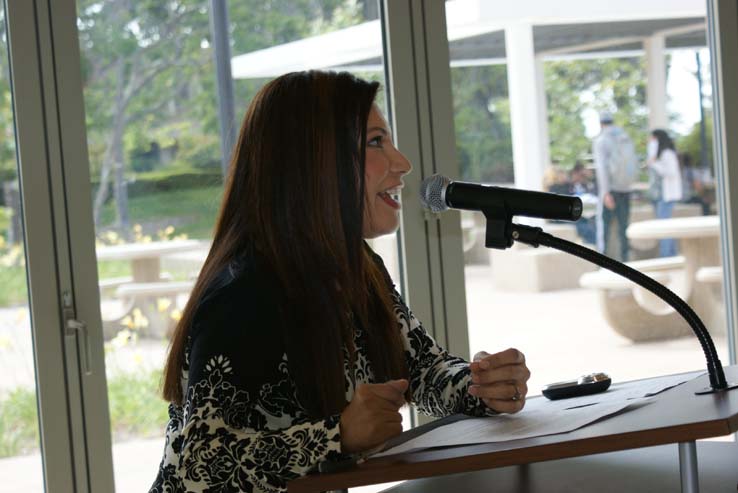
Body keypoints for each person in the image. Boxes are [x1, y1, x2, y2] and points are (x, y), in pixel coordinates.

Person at [149, 71, 531, 493]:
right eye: (375, 142)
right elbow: (198, 463)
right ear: (313, 162)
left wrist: (481, 384)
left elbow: (421, 369)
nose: (402, 163)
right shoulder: (244, 292)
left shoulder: (355, 264)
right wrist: (336, 435)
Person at [592, 111, 638, 261]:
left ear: (601, 123)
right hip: (626, 188)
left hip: (611, 190)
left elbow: (602, 168)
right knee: (623, 228)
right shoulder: (625, 137)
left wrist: (605, 193)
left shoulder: (602, 140)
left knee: (604, 228)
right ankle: (626, 262)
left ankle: (601, 262)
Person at [646, 129, 683, 257]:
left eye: (652, 139)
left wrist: (654, 163)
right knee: (665, 226)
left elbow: (670, 173)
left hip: (666, 196)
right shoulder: (662, 154)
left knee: (664, 227)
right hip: (661, 196)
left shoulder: (667, 153)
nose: (650, 142)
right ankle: (671, 255)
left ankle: (667, 256)